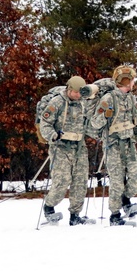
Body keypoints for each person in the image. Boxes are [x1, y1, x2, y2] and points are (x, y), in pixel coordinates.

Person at [90, 65, 137, 226]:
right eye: (131, 80)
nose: (133, 83)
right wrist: (105, 115)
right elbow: (94, 124)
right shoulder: (108, 99)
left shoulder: (131, 98)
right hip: (113, 145)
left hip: (129, 144)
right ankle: (115, 214)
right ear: (125, 80)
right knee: (117, 181)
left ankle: (125, 200)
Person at [38, 75, 94, 226]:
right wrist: (52, 136)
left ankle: (75, 215)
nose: (77, 95)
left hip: (79, 147)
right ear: (69, 89)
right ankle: (49, 207)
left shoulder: (83, 103)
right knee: (62, 180)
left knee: (80, 181)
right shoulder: (57, 102)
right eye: (75, 92)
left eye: (80, 93)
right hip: (61, 147)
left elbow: (88, 123)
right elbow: (45, 123)